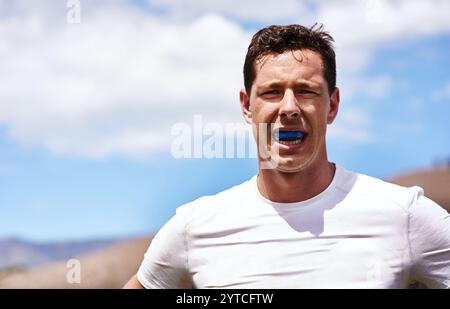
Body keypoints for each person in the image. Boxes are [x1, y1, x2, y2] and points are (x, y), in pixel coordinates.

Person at [124, 24, 450, 289]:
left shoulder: (405, 216)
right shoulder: (194, 227)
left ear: (332, 105)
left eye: (306, 91)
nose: (289, 108)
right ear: (246, 106)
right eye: (272, 92)